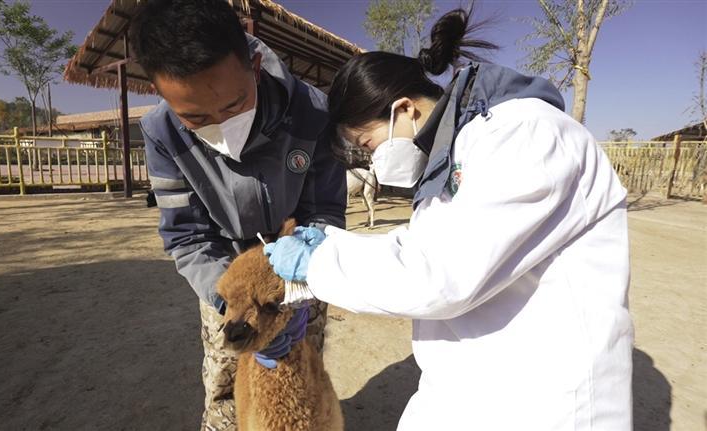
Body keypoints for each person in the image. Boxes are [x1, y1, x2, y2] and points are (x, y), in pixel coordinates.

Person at [264, 8, 633, 430]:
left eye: (368, 143)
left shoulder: (525, 135)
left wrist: (319, 266)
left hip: (545, 395)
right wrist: (334, 245)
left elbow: (441, 275)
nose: (374, 159)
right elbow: (427, 245)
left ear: (404, 109)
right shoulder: (457, 149)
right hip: (480, 379)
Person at [128, 1, 346, 429]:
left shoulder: (312, 113)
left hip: (296, 284)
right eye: (195, 117)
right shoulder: (161, 133)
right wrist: (229, 300)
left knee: (303, 378)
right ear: (162, 93)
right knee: (226, 392)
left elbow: (325, 211)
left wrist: (297, 288)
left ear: (255, 67)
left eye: (233, 105)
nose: (220, 125)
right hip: (225, 287)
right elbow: (188, 237)